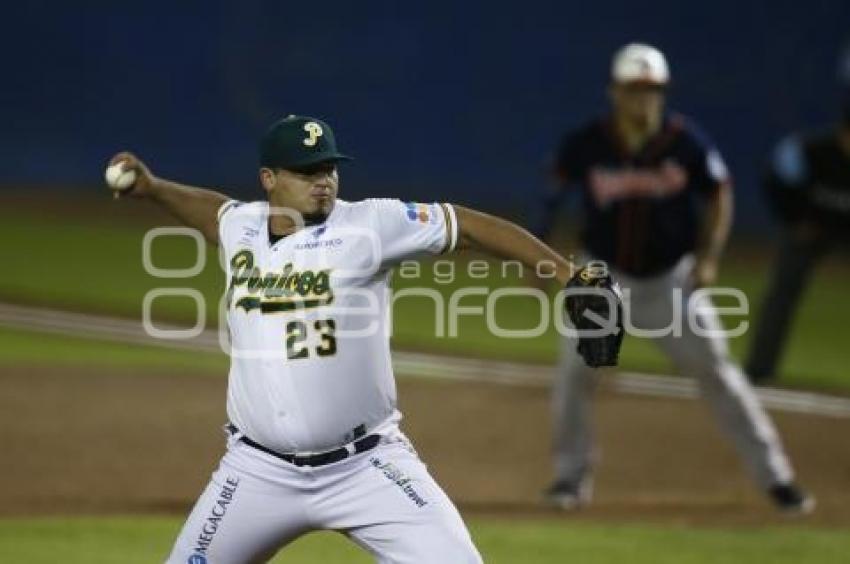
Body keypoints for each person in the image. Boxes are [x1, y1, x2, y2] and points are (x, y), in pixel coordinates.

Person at [106, 114, 618, 563]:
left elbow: (468, 225)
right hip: (256, 471)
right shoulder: (243, 227)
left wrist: (566, 273)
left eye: (328, 168)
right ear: (269, 179)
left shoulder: (370, 223)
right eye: (307, 172)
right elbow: (213, 212)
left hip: (367, 466)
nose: (323, 182)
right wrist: (153, 189)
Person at [535, 43, 813, 513]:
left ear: (662, 93)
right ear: (614, 92)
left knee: (720, 375)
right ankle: (570, 478)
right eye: (634, 90)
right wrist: (540, 258)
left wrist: (709, 257)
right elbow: (551, 197)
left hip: (670, 283)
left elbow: (720, 192)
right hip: (602, 280)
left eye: (652, 90)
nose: (643, 99)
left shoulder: (686, 142)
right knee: (574, 379)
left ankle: (777, 477)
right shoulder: (587, 143)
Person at [745, 48, 850, 383]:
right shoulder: (810, 151)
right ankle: (759, 370)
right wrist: (795, 220)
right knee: (782, 291)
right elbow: (774, 179)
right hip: (812, 228)